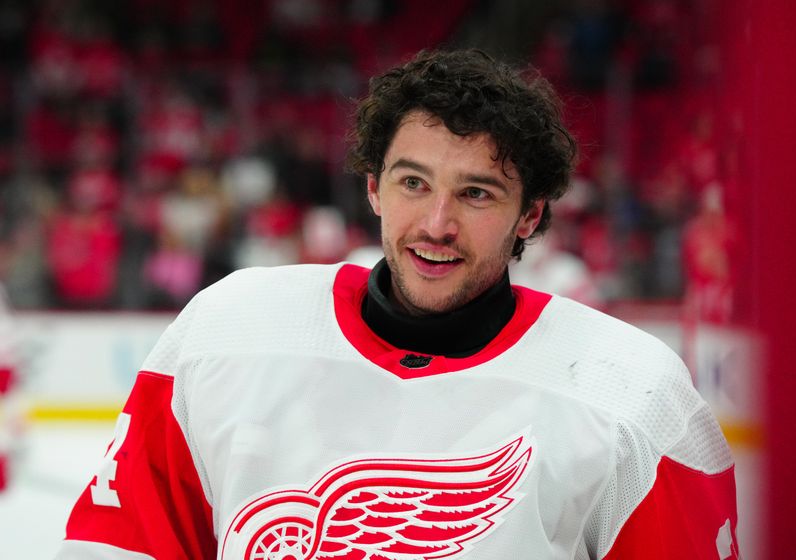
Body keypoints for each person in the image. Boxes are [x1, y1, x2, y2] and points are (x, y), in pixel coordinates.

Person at [56, 49, 739, 559]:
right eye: (414, 182)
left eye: (476, 193)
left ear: (530, 215)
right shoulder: (226, 332)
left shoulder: (631, 397)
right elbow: (119, 542)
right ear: (374, 189)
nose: (436, 223)